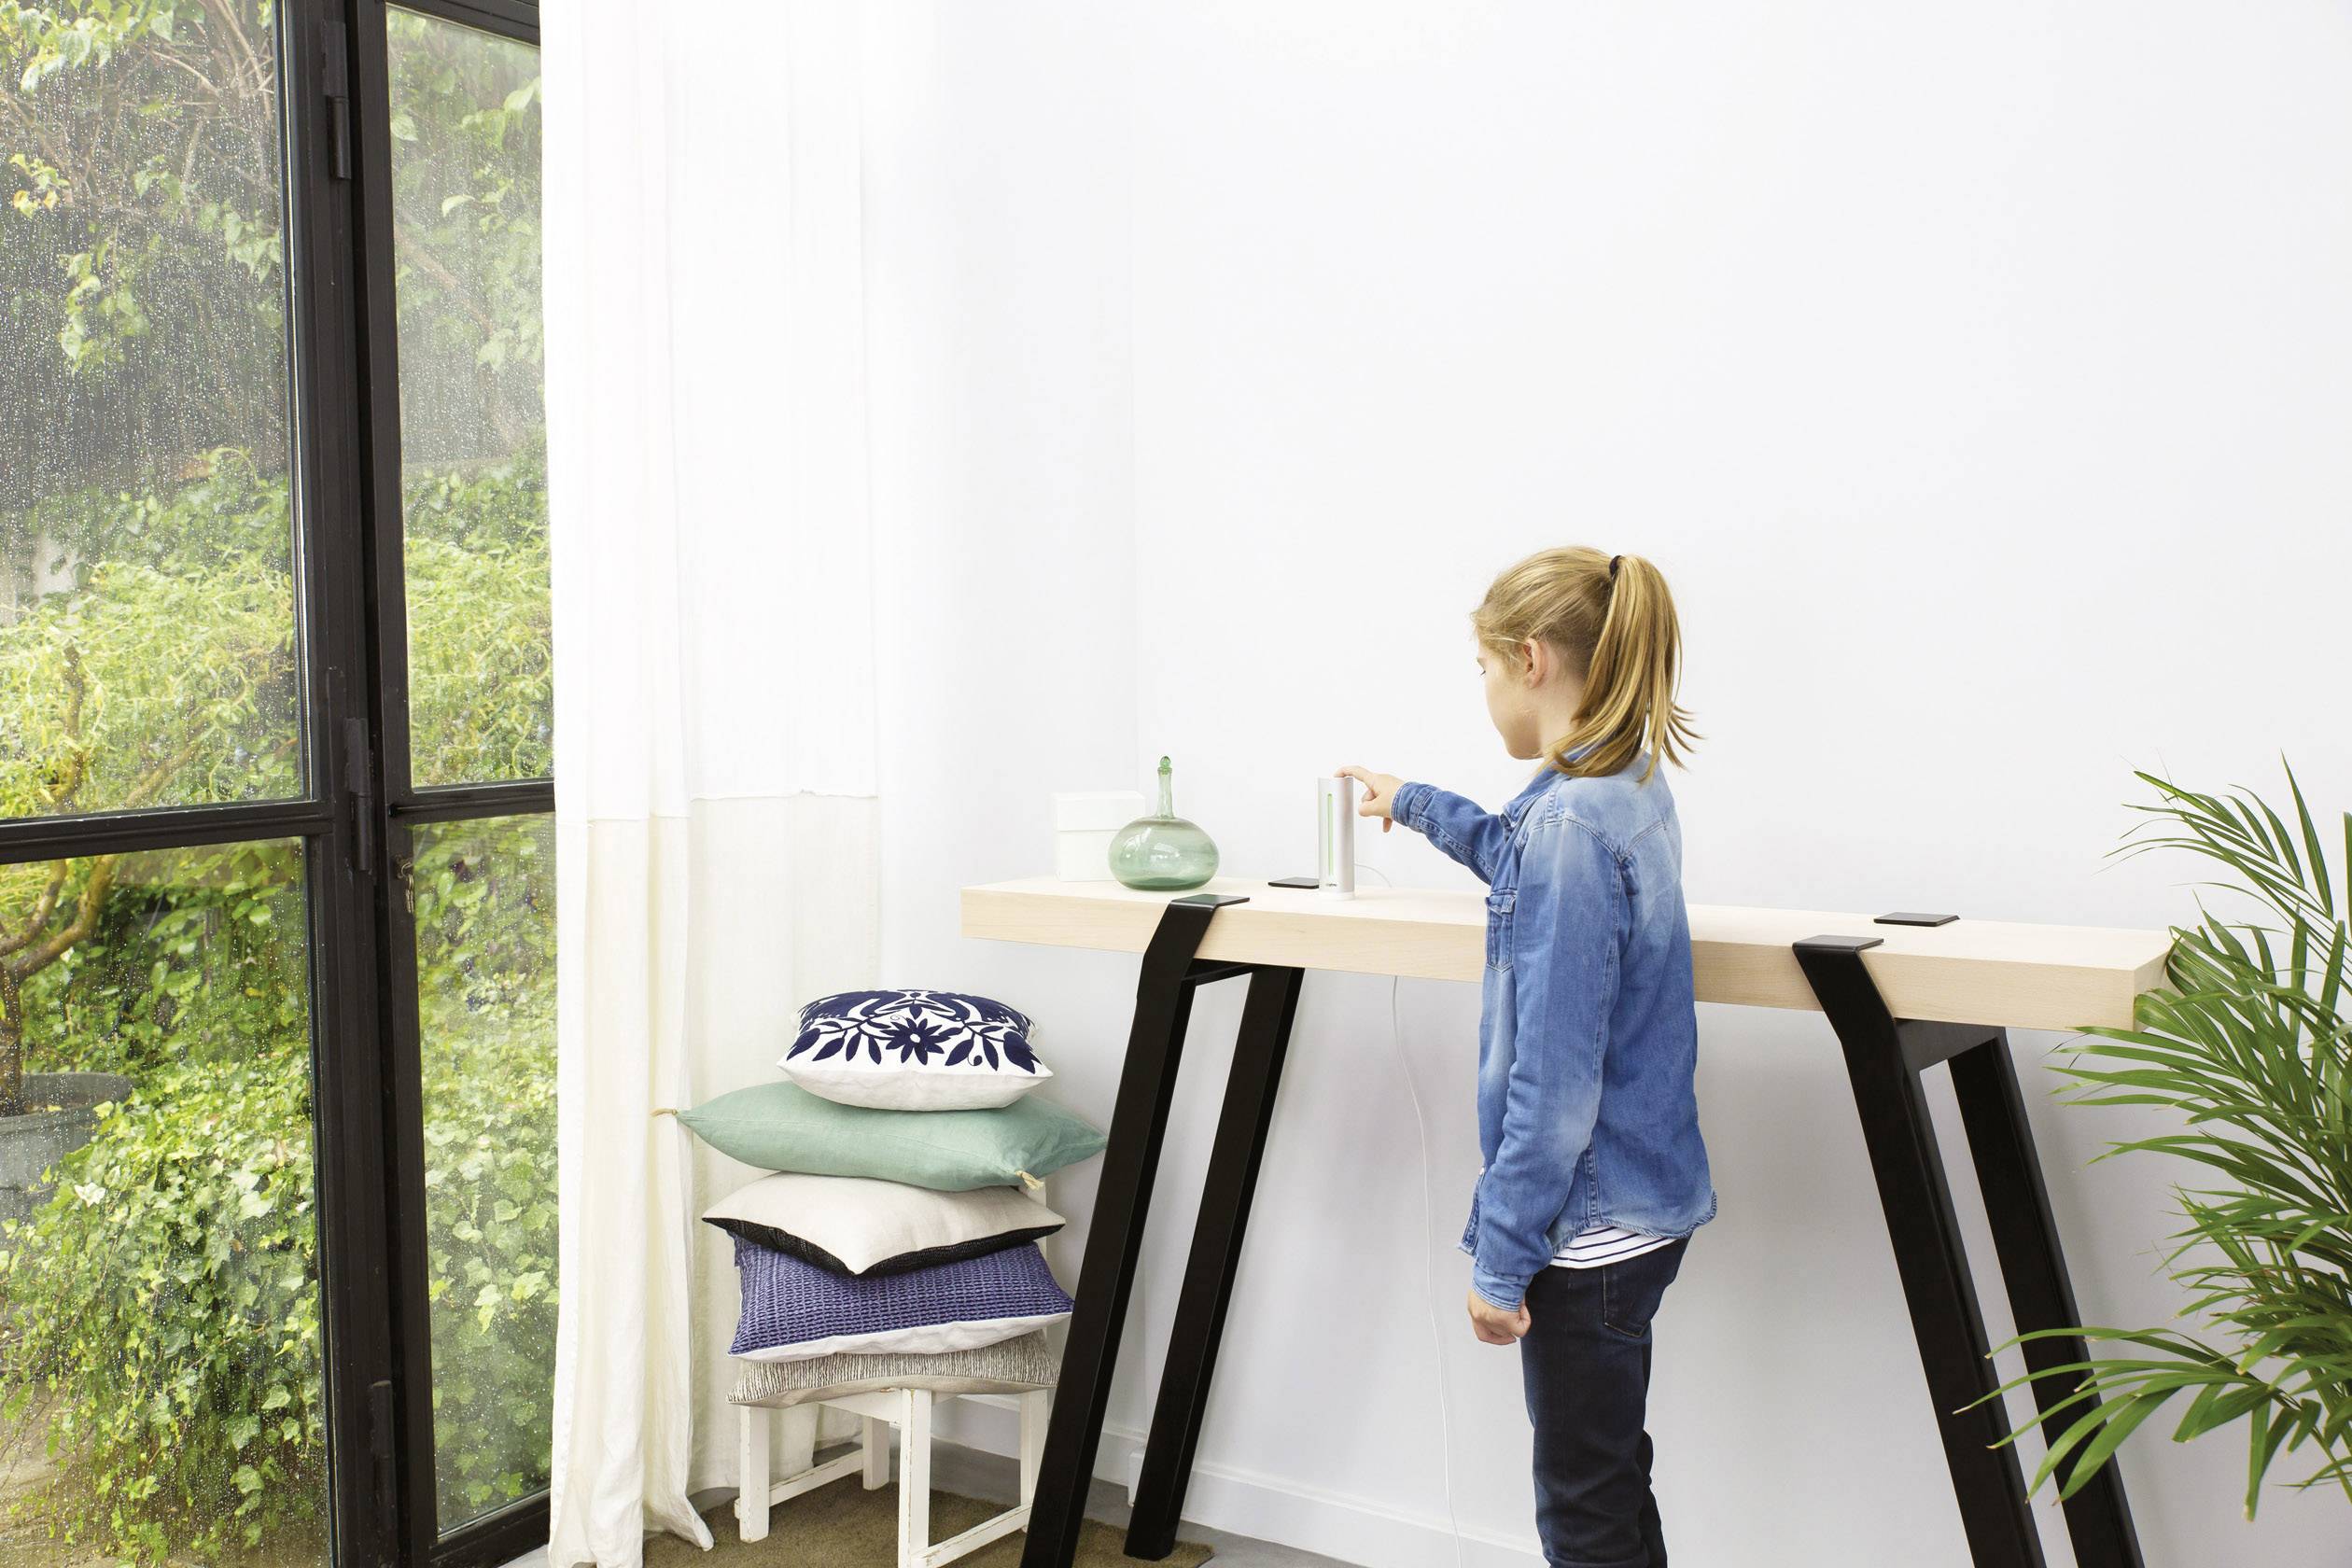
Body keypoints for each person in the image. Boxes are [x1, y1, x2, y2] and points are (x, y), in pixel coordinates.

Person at [1339, 545, 1715, 1568]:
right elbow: (1516, 853)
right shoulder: (1620, 787)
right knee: (1610, 1482)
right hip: (1639, 1211)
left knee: (1582, 1514)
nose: (1489, 695)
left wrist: (1501, 1261)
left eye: (1487, 673)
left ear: (1530, 657)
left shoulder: (1572, 827)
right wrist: (1413, 801)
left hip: (1583, 1233)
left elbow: (1551, 1090)